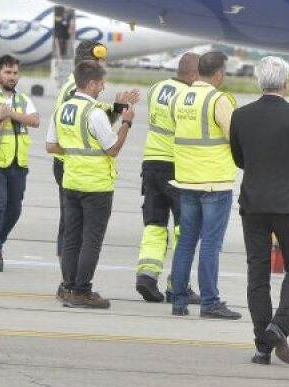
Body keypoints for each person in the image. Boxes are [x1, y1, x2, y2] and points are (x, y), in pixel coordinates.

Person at [229, 56, 289, 365]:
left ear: (259, 82)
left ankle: (262, 346)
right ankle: (279, 327)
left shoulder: (241, 116)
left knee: (258, 272)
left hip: (253, 203)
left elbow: (239, 159)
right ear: (285, 83)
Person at [46, 60, 135, 309]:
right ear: (92, 83)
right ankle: (82, 290)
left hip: (71, 181)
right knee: (91, 240)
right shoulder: (95, 112)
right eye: (101, 83)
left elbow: (51, 146)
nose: (103, 87)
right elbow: (113, 148)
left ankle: (68, 286)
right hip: (96, 186)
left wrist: (77, 152)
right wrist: (126, 122)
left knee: (72, 238)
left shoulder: (62, 109)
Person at [169, 50, 241, 319]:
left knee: (186, 242)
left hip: (187, 179)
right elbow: (234, 135)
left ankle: (178, 300)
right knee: (211, 244)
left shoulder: (181, 97)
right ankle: (210, 302)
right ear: (219, 74)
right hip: (214, 182)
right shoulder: (217, 100)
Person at [52, 40, 138, 265]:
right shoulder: (75, 89)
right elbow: (86, 128)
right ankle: (69, 281)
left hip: (72, 163)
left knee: (72, 228)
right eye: (100, 60)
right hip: (75, 165)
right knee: (76, 232)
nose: (103, 64)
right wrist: (124, 121)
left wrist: (117, 108)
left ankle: (68, 280)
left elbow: (88, 125)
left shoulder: (76, 86)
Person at [135, 52, 201, 304]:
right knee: (184, 229)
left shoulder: (156, 88)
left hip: (151, 164)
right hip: (176, 167)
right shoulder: (187, 97)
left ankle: (147, 276)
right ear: (193, 74)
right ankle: (178, 284)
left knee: (154, 224)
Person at [0, 55, 40, 271]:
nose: (12, 77)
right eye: (7, 72)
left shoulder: (24, 100)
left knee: (14, 210)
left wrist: (12, 114)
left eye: (15, 73)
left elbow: (35, 120)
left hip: (18, 163)